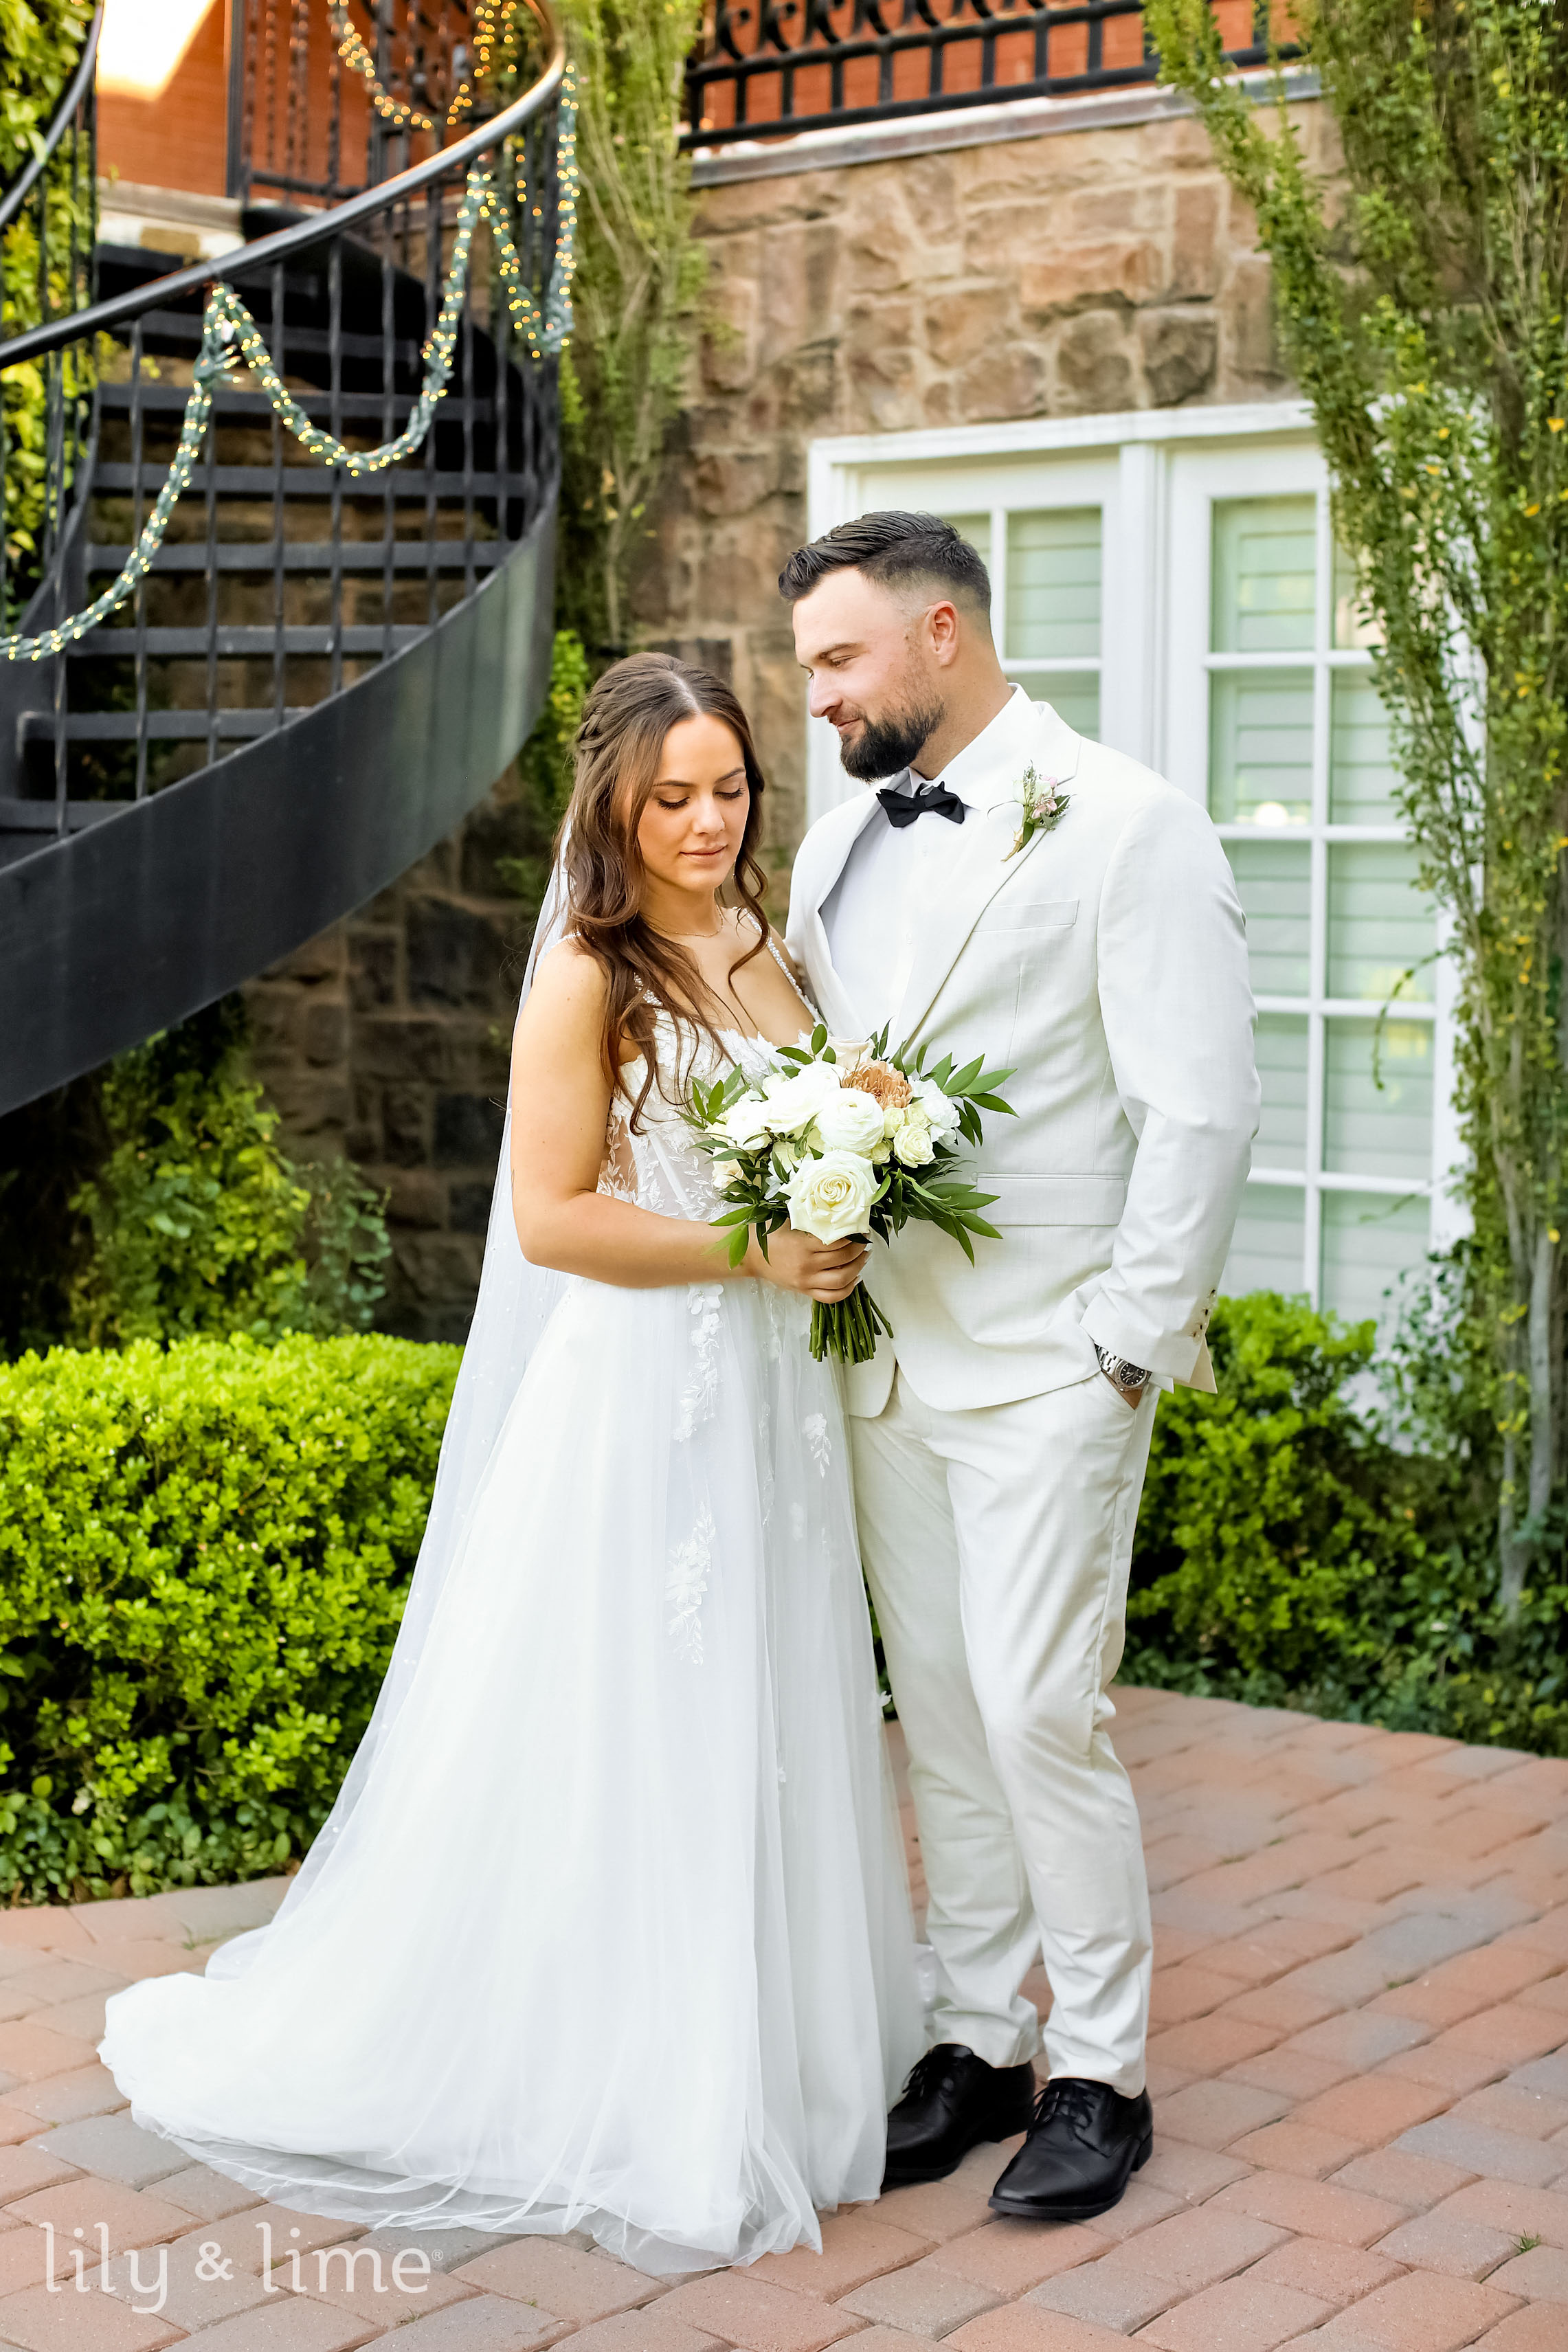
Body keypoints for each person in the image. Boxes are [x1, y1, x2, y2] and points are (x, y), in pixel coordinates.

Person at [100, 652, 923, 2276]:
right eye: (671, 797)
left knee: (769, 1700)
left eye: (728, 788)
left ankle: (788, 2061)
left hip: (771, 1395)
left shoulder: (769, 943)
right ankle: (628, 2083)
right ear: (614, 804)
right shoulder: (588, 974)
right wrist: (750, 1250)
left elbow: (808, 1133)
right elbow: (552, 1218)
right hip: (645, 1392)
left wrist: (857, 1156)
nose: (706, 821)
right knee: (643, 1711)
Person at [783, 513, 1259, 2222]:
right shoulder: (833, 846)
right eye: (805, 667)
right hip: (882, 1361)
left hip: (1053, 1366)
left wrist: (1123, 1346)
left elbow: (1198, 1109)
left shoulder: (1126, 821)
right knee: (941, 1714)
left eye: (839, 658)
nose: (818, 697)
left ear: (941, 632)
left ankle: (1101, 2070)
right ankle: (978, 2038)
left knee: (1041, 1709)